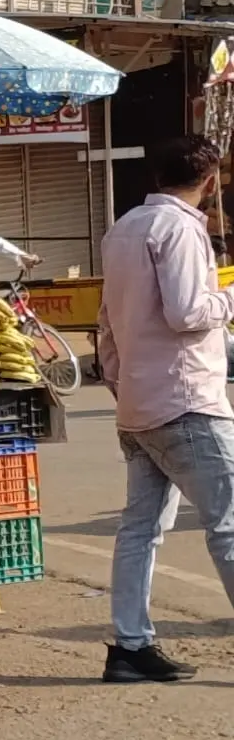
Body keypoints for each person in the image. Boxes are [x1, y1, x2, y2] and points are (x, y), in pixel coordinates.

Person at [97, 136, 234, 684]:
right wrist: (227, 299)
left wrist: (118, 380)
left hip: (139, 399)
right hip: (186, 400)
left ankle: (131, 644)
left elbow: (107, 322)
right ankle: (131, 645)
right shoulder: (180, 228)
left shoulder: (124, 228)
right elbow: (187, 313)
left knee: (141, 528)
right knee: (227, 524)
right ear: (209, 181)